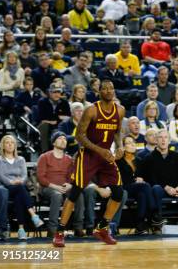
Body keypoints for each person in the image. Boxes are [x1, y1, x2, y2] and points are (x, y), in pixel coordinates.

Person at [52, 79, 126, 247]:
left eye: (111, 87)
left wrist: (120, 146)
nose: (108, 90)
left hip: (106, 157)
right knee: (75, 192)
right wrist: (99, 150)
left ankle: (102, 228)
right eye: (105, 88)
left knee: (119, 193)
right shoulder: (91, 110)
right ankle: (59, 231)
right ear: (99, 92)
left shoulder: (120, 110)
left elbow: (117, 132)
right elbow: (79, 136)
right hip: (88, 156)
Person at [136, 130, 178, 233]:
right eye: (160, 137)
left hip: (177, 188)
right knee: (155, 189)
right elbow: (150, 179)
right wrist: (166, 187)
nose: (163, 140)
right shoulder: (149, 158)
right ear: (156, 140)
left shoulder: (177, 156)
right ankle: (157, 223)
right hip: (161, 189)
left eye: (165, 137)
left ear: (169, 140)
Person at [0, 135, 45, 240]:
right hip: (3, 186)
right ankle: (33, 216)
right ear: (3, 146)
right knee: (20, 189)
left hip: (18, 188)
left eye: (12, 142)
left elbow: (24, 176)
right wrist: (12, 181)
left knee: (19, 195)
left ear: (15, 145)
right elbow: (0, 176)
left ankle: (21, 230)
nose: (10, 144)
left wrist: (20, 181)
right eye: (7, 142)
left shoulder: (21, 159)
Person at [37, 132, 84, 237]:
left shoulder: (69, 159)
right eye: (60, 138)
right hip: (48, 187)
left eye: (65, 139)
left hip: (64, 187)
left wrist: (70, 185)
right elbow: (41, 178)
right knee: (56, 195)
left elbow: (72, 176)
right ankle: (52, 229)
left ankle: (78, 227)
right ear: (53, 142)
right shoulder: (44, 157)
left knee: (78, 194)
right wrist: (56, 187)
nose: (63, 140)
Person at [116, 135, 158, 235]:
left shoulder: (139, 160)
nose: (132, 144)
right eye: (129, 143)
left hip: (138, 189)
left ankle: (139, 225)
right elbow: (121, 179)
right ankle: (154, 213)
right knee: (145, 186)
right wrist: (135, 180)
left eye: (133, 142)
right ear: (123, 146)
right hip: (124, 188)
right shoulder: (119, 161)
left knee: (142, 194)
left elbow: (144, 176)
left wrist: (141, 178)